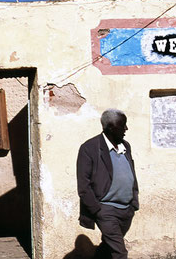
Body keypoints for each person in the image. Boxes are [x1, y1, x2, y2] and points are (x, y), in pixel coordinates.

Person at [76, 109, 139, 259]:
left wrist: (134, 201)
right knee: (119, 252)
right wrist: (97, 210)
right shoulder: (90, 148)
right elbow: (83, 184)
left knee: (108, 247)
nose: (126, 129)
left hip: (126, 209)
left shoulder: (125, 146)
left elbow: (131, 172)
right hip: (105, 209)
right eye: (123, 125)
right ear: (110, 127)